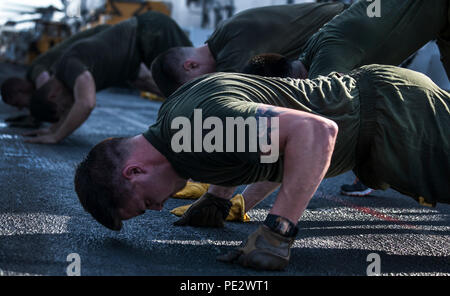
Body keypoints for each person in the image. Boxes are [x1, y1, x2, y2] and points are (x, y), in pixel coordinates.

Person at [74, 64, 450, 270]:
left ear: (134, 172)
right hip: (386, 111)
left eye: (145, 204)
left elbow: (315, 132)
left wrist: (278, 229)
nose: (158, 208)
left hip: (395, 120)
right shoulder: (178, 127)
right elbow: (270, 147)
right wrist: (221, 198)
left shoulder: (193, 132)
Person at [242, 0, 450, 196]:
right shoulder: (314, 49)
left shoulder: (326, 65)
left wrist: (243, 202)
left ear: (284, 86)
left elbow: (309, 145)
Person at [24, 11, 192, 144]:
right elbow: (144, 81)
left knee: (196, 85)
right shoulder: (68, 73)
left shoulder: (68, 66)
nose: (68, 109)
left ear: (53, 94)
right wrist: (53, 129)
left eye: (62, 109)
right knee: (185, 92)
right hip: (146, 42)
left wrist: (56, 137)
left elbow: (86, 103)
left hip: (152, 31)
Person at [150, 2, 348, 97]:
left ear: (190, 65)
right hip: (345, 34)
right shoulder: (225, 36)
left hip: (350, 30)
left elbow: (224, 99)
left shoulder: (232, 51)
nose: (202, 85)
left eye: (196, 85)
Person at [0, 25, 110, 127]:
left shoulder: (34, 70)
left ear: (20, 90)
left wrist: (35, 117)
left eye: (17, 103)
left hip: (103, 36)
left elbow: (45, 84)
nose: (19, 108)